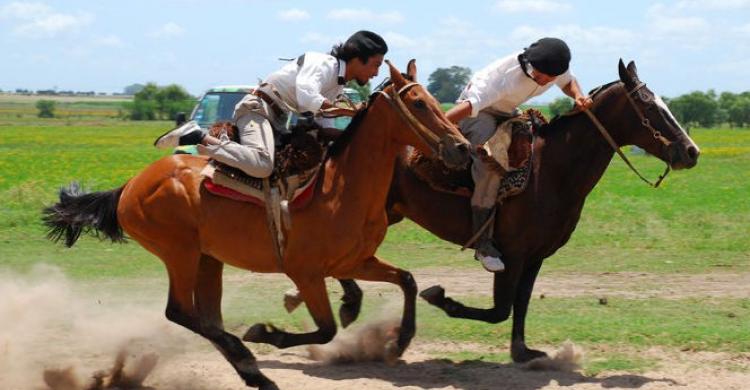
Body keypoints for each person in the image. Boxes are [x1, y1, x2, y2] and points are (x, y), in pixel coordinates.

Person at [445, 37, 593, 273]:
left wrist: (578, 96)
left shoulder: (554, 69)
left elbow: (568, 82)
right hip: (478, 112)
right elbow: (468, 107)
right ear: (529, 63)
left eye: (550, 78)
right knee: (490, 167)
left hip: (508, 111)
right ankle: (483, 245)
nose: (544, 81)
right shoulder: (501, 78)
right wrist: (438, 126)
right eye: (541, 74)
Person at [155, 30, 388, 178]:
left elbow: (322, 122)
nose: (377, 73)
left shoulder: (337, 86)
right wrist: (348, 111)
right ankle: (198, 136)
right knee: (263, 166)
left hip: (274, 117)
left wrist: (356, 136)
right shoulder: (324, 63)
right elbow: (308, 98)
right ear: (358, 59)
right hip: (257, 109)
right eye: (376, 65)